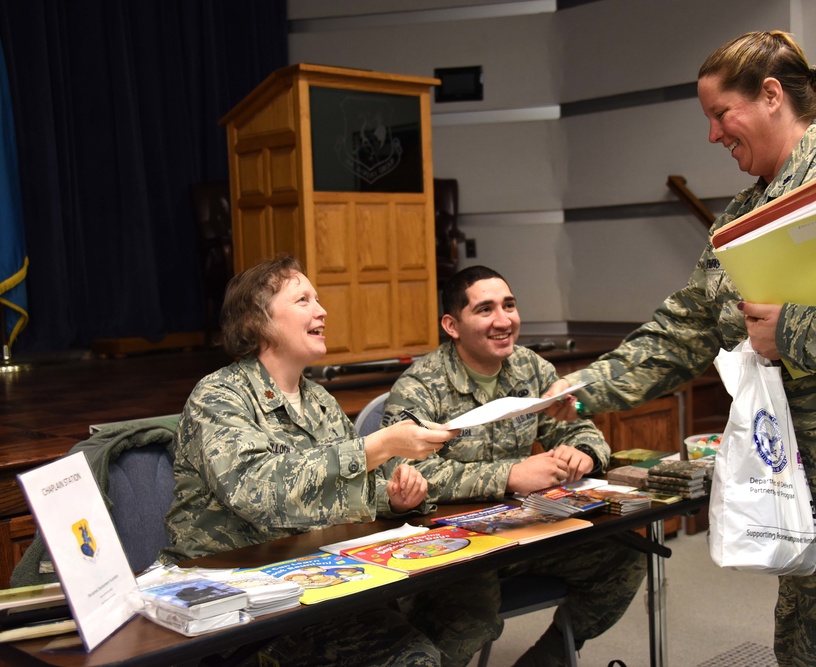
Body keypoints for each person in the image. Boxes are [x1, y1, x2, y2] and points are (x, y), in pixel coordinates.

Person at [544, 30, 816, 667]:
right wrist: (586, 389)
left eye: (722, 114)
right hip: (801, 487)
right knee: (803, 654)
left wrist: (798, 331)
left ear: (771, 96)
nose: (714, 135)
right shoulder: (742, 219)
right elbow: (684, 329)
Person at [162, 254, 453, 667]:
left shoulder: (319, 400)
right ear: (257, 322)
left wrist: (397, 497)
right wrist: (376, 446)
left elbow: (346, 489)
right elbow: (253, 490)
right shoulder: (220, 396)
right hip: (236, 604)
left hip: (311, 582)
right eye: (303, 301)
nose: (322, 311)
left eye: (318, 300)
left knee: (422, 649)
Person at [380, 265, 647, 667]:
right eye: (485, 309)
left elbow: (581, 429)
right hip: (453, 546)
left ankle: (552, 656)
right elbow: (402, 476)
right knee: (471, 618)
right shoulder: (420, 387)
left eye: (509, 305)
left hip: (522, 533)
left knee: (624, 556)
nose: (503, 321)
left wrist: (583, 452)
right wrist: (509, 475)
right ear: (452, 325)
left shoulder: (530, 367)